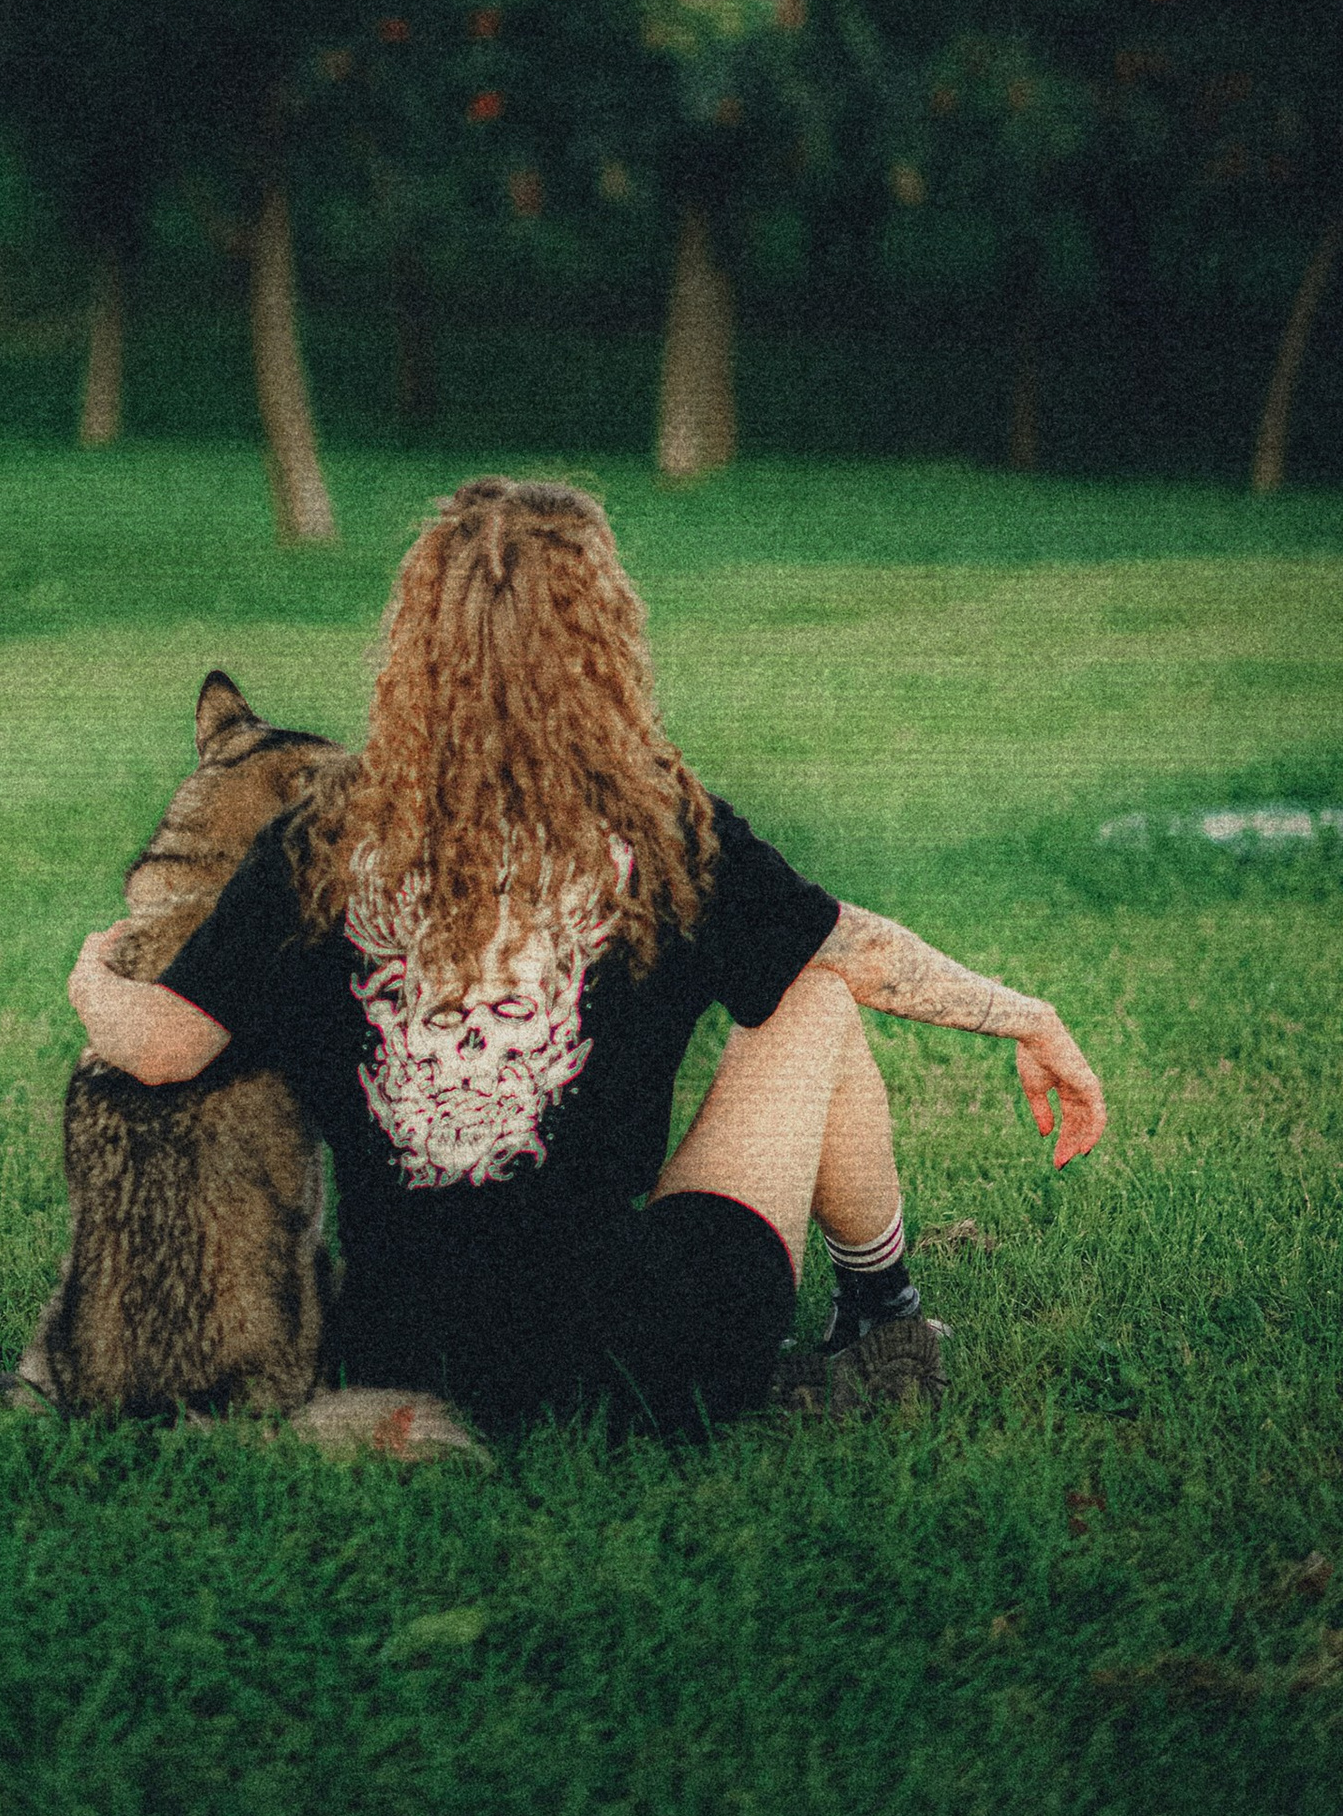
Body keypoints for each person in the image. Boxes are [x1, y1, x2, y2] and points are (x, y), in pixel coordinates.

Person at [66, 477, 1106, 1436]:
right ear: (605, 642)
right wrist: (1025, 1015)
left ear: (415, 648)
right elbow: (855, 952)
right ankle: (886, 1324)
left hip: (399, 1359)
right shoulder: (660, 828)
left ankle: (877, 1323)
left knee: (797, 980)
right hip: (656, 1353)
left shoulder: (320, 841)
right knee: (816, 995)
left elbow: (158, 1047)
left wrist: (89, 973)